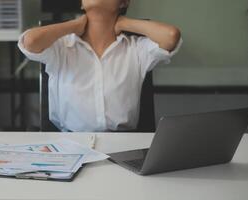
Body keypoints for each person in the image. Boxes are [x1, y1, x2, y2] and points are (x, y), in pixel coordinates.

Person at [18, 0, 182, 132]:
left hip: (125, 144)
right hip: (72, 144)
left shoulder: (137, 49)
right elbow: (30, 42)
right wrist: (73, 25)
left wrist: (126, 23)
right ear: (82, 4)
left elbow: (171, 36)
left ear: (124, 3)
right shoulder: (62, 47)